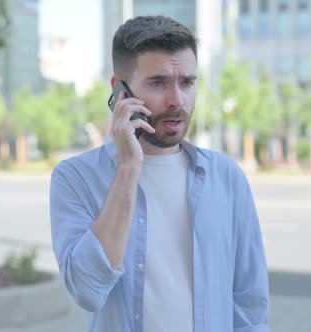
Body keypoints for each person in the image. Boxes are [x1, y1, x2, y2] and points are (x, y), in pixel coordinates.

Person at [50, 15, 270, 332]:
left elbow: (250, 305)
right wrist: (128, 169)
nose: (177, 100)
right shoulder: (75, 178)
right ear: (120, 91)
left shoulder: (227, 177)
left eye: (187, 83)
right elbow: (87, 290)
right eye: (158, 83)